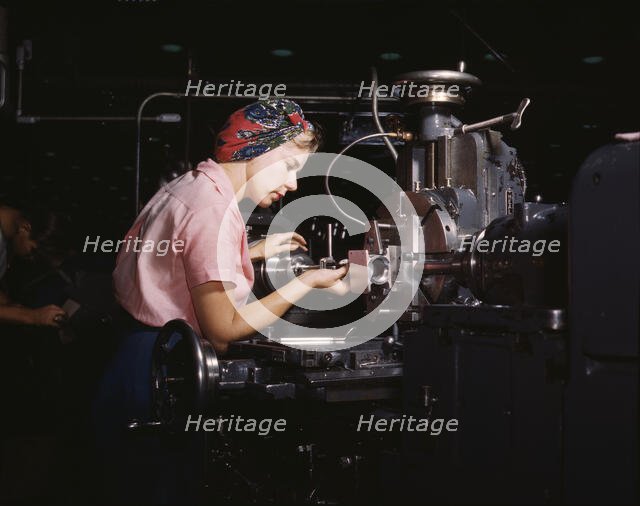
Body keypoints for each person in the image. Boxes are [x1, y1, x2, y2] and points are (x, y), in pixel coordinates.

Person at [94, 98, 349, 504]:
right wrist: (306, 282)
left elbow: (179, 262)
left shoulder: (195, 186)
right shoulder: (212, 209)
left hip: (135, 355)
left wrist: (250, 251)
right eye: (289, 166)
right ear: (259, 150)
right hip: (160, 370)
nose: (294, 183)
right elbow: (225, 328)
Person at [0, 203, 67, 327]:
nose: (31, 258)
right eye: (33, 250)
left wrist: (8, 306)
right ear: (25, 227)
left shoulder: (8, 235)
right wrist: (31, 316)